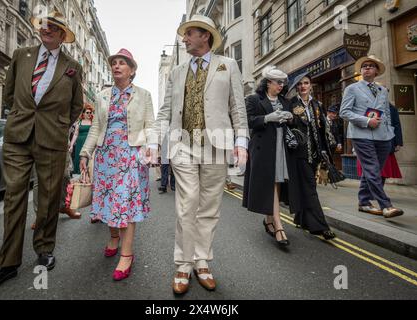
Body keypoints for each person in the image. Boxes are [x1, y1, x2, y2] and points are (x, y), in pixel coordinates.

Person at [0, 11, 83, 287]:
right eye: (44, 25)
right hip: (18, 136)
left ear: (62, 35)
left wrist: (57, 125)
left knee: (48, 199)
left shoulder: (72, 66)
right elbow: (10, 93)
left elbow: (76, 106)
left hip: (52, 139)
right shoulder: (21, 56)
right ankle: (8, 262)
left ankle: (44, 249)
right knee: (13, 198)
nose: (47, 29)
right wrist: (22, 116)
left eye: (54, 27)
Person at [153, 15, 248, 295]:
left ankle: (202, 260)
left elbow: (237, 108)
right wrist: (154, 141)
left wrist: (241, 142)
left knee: (208, 208)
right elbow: (166, 110)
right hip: (183, 145)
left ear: (204, 36)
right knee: (187, 205)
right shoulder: (178, 70)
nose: (184, 39)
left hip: (217, 146)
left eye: (189, 34)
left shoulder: (227, 65)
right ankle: (183, 264)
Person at [80, 48, 156, 281]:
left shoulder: (143, 95)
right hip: (105, 155)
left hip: (131, 154)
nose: (116, 66)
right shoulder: (102, 95)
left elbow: (150, 124)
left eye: (122, 63)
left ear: (131, 70)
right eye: (114, 62)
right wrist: (85, 153)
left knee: (125, 203)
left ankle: (126, 254)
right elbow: (95, 127)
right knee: (107, 200)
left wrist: (152, 146)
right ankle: (113, 236)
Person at [340, 55, 403, 219]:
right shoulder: (352, 89)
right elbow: (344, 112)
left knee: (374, 171)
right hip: (361, 134)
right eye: (364, 66)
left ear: (376, 71)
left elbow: (387, 113)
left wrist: (391, 135)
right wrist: (367, 121)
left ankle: (364, 202)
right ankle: (386, 205)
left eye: (371, 66)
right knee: (372, 170)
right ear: (361, 71)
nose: (367, 68)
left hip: (383, 137)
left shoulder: (382, 90)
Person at [243, 66, 298, 247]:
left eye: (283, 82)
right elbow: (249, 121)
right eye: (278, 82)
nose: (281, 86)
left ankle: (269, 220)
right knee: (272, 183)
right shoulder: (254, 99)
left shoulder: (285, 101)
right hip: (263, 148)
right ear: (268, 83)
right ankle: (278, 224)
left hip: (282, 146)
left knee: (278, 182)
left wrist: (289, 117)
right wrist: (268, 118)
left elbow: (293, 122)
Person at [287, 72, 337, 240]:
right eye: (300, 84)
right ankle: (321, 227)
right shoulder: (290, 103)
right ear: (296, 87)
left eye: (306, 83)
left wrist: (326, 150)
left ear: (311, 85)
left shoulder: (317, 104)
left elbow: (323, 129)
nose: (303, 86)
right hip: (298, 152)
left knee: (309, 187)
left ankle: (301, 219)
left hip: (314, 153)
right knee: (309, 187)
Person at [357, 102, 403, 185]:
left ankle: (378, 191)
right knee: (369, 169)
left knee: (383, 171)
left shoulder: (392, 108)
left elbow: (396, 125)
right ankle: (370, 192)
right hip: (368, 141)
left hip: (386, 141)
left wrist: (398, 142)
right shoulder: (367, 104)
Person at [70, 104, 94, 174]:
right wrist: (71, 145)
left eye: (90, 112)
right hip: (79, 143)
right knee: (79, 157)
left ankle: (87, 173)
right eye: (87, 112)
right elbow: (75, 134)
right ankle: (79, 174)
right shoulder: (79, 123)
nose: (89, 114)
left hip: (88, 143)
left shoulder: (92, 122)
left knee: (87, 159)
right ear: (83, 113)